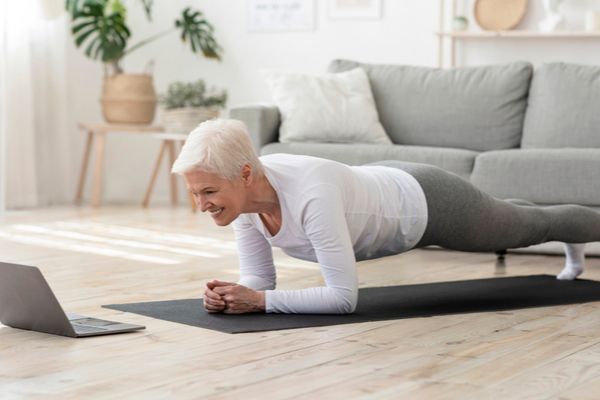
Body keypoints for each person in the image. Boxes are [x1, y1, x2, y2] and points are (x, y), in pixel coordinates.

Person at [171, 118, 600, 315]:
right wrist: (232, 296)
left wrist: (260, 304)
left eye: (208, 192)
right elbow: (260, 280)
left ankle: (566, 223)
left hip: (427, 202)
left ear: (246, 174)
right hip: (386, 182)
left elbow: (343, 298)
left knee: (531, 228)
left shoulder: (310, 195)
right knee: (512, 216)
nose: (202, 204)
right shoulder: (245, 202)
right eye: (194, 193)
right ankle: (520, 211)